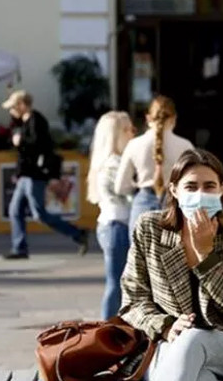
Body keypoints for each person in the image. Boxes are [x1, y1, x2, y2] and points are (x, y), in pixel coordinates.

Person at [119, 149, 223, 381]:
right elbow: (132, 300)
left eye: (209, 186)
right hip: (164, 342)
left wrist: (205, 255)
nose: (200, 194)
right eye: (191, 187)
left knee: (192, 340)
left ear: (221, 189)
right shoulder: (150, 228)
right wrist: (166, 326)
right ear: (174, 191)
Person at [1, 90, 88, 259]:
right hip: (26, 175)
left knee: (40, 214)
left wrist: (20, 142)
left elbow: (38, 147)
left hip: (35, 175)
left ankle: (77, 233)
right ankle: (19, 248)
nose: (11, 111)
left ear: (22, 105)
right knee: (15, 210)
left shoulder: (36, 121)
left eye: (13, 107)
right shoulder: (25, 123)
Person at [115, 95, 194, 235]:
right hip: (175, 205)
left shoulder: (134, 145)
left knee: (139, 255)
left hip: (143, 204)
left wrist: (136, 187)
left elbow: (120, 186)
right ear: (174, 118)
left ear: (148, 118)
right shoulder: (185, 146)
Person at [87, 111, 135, 319]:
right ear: (116, 135)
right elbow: (130, 193)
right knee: (117, 283)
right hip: (117, 225)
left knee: (116, 283)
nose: (133, 133)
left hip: (112, 224)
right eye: (128, 129)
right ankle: (107, 331)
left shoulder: (104, 162)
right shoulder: (115, 163)